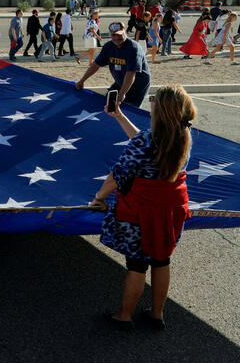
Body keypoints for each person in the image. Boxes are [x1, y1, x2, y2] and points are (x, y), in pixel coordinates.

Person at [90, 85, 196, 331]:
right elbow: (146, 143)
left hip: (141, 211)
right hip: (170, 209)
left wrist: (98, 199)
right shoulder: (183, 134)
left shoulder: (148, 141)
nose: (151, 103)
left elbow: (116, 176)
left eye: (154, 100)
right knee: (161, 259)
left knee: (137, 264)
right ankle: (156, 314)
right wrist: (119, 116)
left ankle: (124, 316)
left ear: (161, 108)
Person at [75, 20, 151, 108]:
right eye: (113, 35)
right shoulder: (108, 47)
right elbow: (96, 65)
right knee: (107, 104)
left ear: (125, 32)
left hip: (137, 86)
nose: (116, 37)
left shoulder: (133, 48)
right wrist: (82, 80)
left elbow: (131, 73)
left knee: (129, 111)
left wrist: (122, 93)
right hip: (121, 82)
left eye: (119, 34)